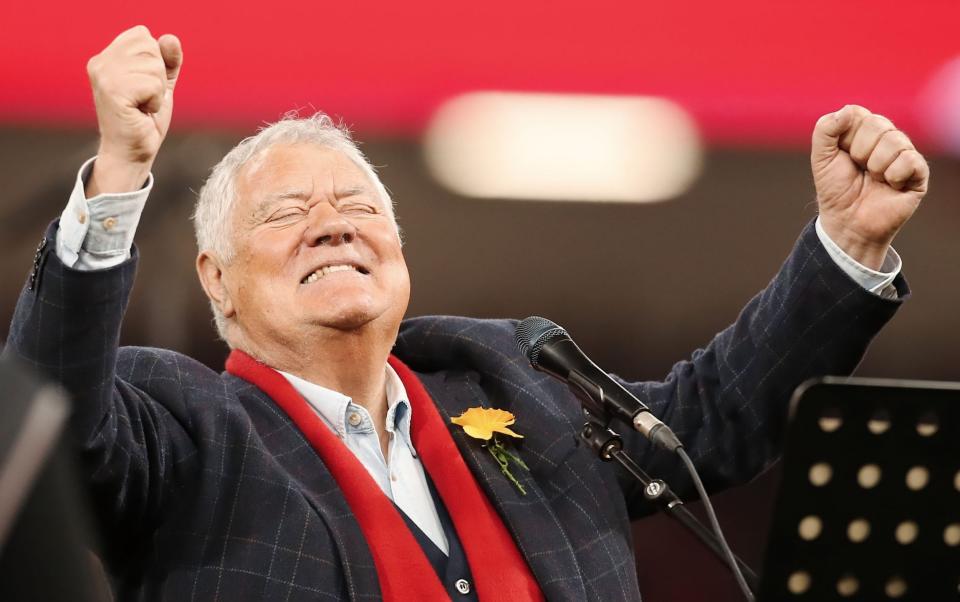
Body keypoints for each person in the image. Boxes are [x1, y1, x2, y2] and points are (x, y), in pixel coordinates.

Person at [5, 26, 928, 602]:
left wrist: (846, 241)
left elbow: (711, 416)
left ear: (403, 257)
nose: (332, 225)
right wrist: (119, 175)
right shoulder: (183, 429)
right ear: (216, 280)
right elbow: (55, 419)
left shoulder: (511, 391)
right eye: (286, 215)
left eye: (360, 209)